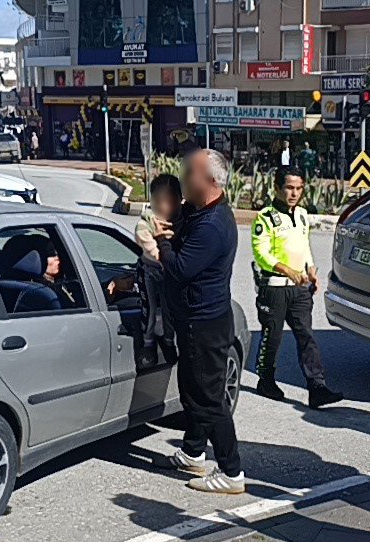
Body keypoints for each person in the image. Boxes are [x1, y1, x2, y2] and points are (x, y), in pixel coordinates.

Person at [152, 148, 245, 495]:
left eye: (187, 172)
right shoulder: (199, 210)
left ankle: (231, 472)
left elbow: (179, 269)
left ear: (207, 181)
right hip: (195, 319)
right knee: (191, 390)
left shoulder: (213, 225)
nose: (182, 178)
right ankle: (193, 452)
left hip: (204, 323)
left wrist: (162, 241)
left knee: (208, 398)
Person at [252, 167, 343, 408]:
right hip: (275, 287)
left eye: (299, 188)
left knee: (306, 336)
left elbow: (304, 246)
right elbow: (261, 253)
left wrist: (311, 268)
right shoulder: (266, 217)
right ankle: (266, 379)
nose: (294, 193)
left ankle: (317, 387)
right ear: (277, 188)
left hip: (300, 290)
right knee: (273, 337)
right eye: (289, 188)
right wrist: (287, 270)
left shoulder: (302, 214)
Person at [133, 174, 182, 365]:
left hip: (169, 272)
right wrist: (163, 257)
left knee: (170, 310)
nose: (164, 207)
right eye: (159, 201)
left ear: (179, 200)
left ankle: (168, 341)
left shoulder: (181, 220)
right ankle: (148, 345)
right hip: (150, 270)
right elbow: (149, 246)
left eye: (170, 202)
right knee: (150, 310)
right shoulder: (147, 222)